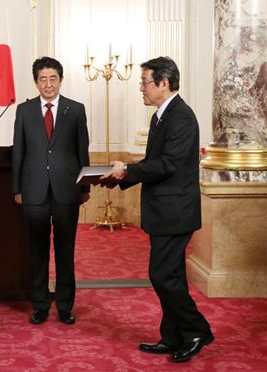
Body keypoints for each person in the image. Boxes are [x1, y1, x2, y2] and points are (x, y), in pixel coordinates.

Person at [101, 57, 213, 363]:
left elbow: (168, 165)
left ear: (164, 84)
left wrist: (127, 171)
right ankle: (172, 336)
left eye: (144, 82)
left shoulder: (182, 118)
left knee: (162, 275)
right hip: (165, 209)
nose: (141, 88)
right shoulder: (161, 116)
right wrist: (122, 178)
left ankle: (196, 330)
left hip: (176, 212)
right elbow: (156, 164)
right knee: (171, 275)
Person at [12, 57, 90, 325]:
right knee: (37, 251)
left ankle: (66, 305)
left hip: (67, 191)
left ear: (61, 80)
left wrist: (85, 187)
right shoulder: (24, 111)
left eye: (53, 78)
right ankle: (41, 304)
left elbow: (82, 151)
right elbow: (19, 151)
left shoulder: (76, 110)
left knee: (65, 251)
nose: (48, 84)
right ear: (36, 82)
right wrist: (17, 189)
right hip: (33, 191)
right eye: (43, 79)